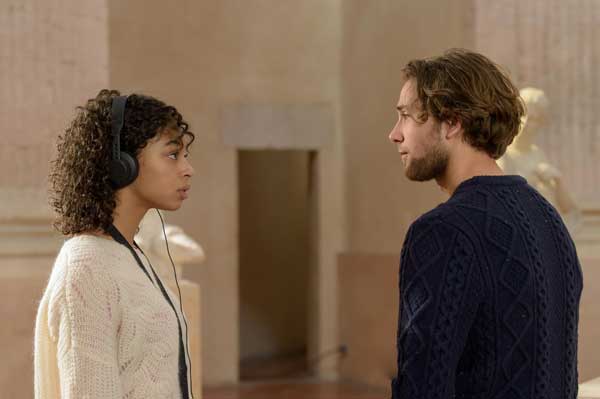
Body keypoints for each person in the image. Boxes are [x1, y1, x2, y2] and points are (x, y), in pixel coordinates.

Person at [388, 49, 582, 399]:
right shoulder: (548, 218)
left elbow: (422, 387)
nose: (395, 134)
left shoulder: (443, 231)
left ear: (452, 122)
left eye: (406, 116)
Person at [34, 89, 195, 398]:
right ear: (123, 164)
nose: (188, 169)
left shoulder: (129, 253)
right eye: (172, 154)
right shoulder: (86, 266)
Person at [499, 87, 582, 234]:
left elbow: (568, 208)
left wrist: (558, 180)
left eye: (533, 119)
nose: (525, 123)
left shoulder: (537, 154)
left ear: (541, 123)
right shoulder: (502, 153)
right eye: (522, 115)